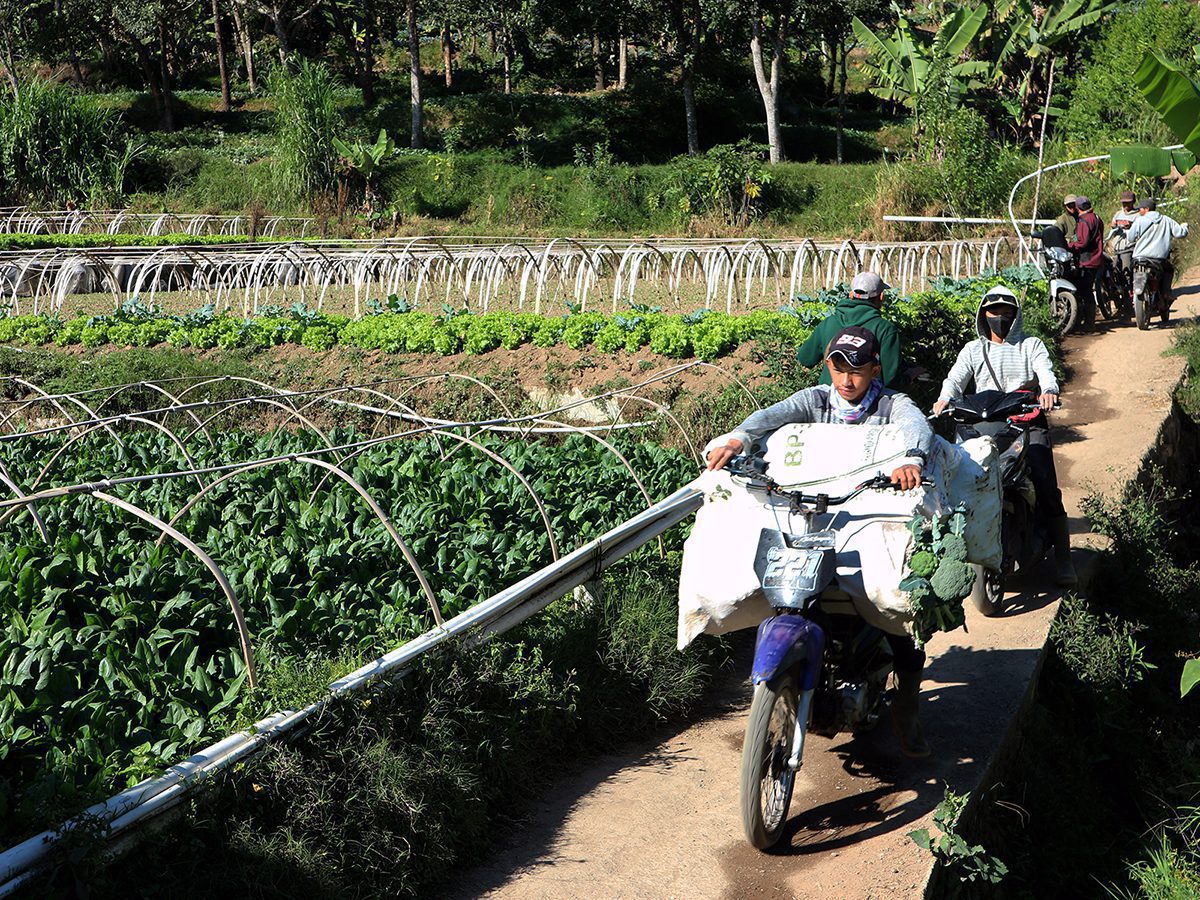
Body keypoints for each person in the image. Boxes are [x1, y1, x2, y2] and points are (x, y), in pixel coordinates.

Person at [706, 325, 934, 758]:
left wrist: (911, 459)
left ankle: (907, 704)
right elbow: (771, 415)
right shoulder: (814, 400)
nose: (847, 380)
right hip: (813, 519)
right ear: (828, 366)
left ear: (875, 370)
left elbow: (915, 426)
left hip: (866, 522)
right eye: (838, 368)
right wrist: (739, 438)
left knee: (898, 616)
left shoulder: (891, 405)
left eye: (857, 371)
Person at [932, 286, 1076, 587]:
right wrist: (945, 398)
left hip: (1025, 420)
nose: (999, 317)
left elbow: (1045, 371)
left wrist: (1048, 391)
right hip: (983, 423)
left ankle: (1064, 559)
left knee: (1045, 482)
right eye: (993, 312)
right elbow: (955, 378)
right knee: (959, 479)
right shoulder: (973, 350)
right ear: (983, 315)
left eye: (1006, 312)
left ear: (1016, 315)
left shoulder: (1030, 345)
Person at [795, 272, 906, 389]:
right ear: (881, 297)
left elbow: (805, 359)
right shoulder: (885, 329)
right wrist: (909, 376)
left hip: (827, 396)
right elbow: (891, 379)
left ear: (851, 295)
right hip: (864, 397)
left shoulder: (828, 323)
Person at [1125, 197, 1189, 302]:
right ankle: (1165, 294)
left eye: (1140, 209)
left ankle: (1131, 291)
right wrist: (1185, 226)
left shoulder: (1139, 220)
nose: (1139, 211)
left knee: (1133, 270)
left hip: (1139, 258)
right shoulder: (1166, 220)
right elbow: (1180, 233)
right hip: (1158, 259)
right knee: (1169, 270)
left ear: (1146, 209)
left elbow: (1130, 238)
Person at [1067, 195, 1104, 328]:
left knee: (1085, 290)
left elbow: (1082, 241)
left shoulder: (1084, 220)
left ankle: (1089, 322)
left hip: (1087, 260)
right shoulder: (1097, 218)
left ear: (1078, 208)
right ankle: (1088, 320)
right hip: (1097, 257)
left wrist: (1070, 245)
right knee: (1087, 288)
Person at [1109, 190, 1137, 282]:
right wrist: (1114, 225)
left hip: (1128, 247)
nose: (1126, 205)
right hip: (1117, 247)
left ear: (1133, 202)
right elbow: (1112, 225)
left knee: (1126, 270)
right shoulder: (1118, 214)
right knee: (1114, 269)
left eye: (1128, 203)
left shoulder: (1137, 215)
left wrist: (1131, 225)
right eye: (1124, 203)